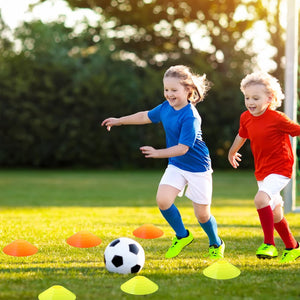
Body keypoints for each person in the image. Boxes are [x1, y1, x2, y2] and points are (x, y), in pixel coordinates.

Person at [102, 65, 224, 259]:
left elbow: (183, 148)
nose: (169, 94)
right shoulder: (166, 108)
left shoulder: (191, 116)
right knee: (163, 200)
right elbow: (145, 116)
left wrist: (158, 153)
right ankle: (182, 236)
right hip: (177, 164)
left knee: (202, 215)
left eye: (174, 90)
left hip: (197, 168)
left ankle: (216, 242)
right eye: (166, 89)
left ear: (188, 90)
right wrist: (119, 120)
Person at [228, 71, 300, 263]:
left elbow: (297, 130)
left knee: (260, 200)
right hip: (262, 172)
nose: (250, 102)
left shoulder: (277, 118)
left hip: (281, 169)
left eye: (255, 98)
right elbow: (241, 135)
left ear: (270, 98)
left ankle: (269, 244)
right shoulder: (246, 117)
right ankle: (293, 247)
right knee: (275, 213)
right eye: (247, 97)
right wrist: (231, 152)